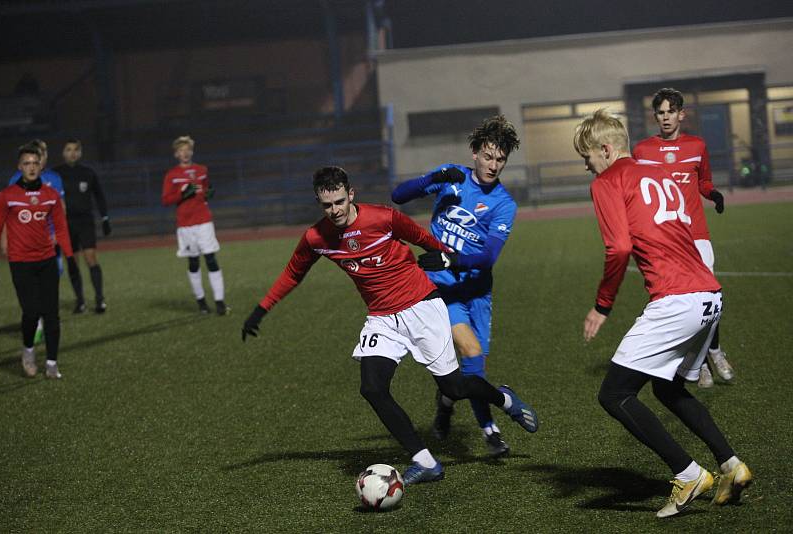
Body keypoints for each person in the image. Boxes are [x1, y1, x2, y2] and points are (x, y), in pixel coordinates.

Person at [241, 166, 538, 485]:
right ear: (318, 202)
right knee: (371, 388)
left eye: (339, 201)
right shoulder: (316, 238)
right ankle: (425, 462)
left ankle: (504, 399)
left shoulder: (383, 218)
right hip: (382, 319)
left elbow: (423, 238)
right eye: (327, 205)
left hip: (422, 307)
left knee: (453, 388)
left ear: (350, 194)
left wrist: (444, 256)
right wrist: (261, 309)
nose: (335, 210)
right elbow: (293, 273)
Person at [575, 109, 752, 518]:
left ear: (605, 149)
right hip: (709, 295)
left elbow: (618, 247)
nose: (586, 164)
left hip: (677, 300)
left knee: (614, 394)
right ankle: (731, 465)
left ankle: (688, 473)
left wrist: (603, 305)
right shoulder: (657, 174)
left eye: (586, 155)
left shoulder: (607, 180)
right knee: (668, 389)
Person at [391, 115, 527, 457]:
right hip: (442, 289)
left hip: (477, 291)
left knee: (473, 367)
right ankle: (490, 430)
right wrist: (433, 178)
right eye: (488, 156)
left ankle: (446, 402)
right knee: (471, 352)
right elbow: (398, 196)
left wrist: (453, 259)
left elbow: (488, 256)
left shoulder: (504, 204)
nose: (493, 165)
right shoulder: (452, 176)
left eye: (500, 159)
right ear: (474, 153)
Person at [632, 88, 733, 388]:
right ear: (656, 116)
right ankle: (697, 364)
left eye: (670, 112)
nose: (665, 118)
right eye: (660, 113)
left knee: (711, 300)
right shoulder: (642, 151)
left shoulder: (697, 145)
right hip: (668, 240)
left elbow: (703, 181)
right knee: (682, 304)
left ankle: (714, 351)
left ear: (681, 114)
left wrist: (712, 193)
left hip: (697, 235)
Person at [0, 144, 73, 379]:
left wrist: (69, 256)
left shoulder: (50, 195)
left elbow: (60, 227)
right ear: (20, 167)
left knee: (52, 314)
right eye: (26, 163)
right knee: (31, 312)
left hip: (46, 259)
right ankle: (28, 350)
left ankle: (51, 363)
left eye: (34, 163)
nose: (31, 167)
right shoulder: (7, 196)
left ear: (41, 166)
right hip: (21, 262)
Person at [161, 136, 228, 315]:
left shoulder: (202, 170)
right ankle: (201, 302)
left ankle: (220, 302)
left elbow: (206, 191)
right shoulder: (171, 175)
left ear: (192, 151)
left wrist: (208, 193)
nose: (185, 153)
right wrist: (182, 194)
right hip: (185, 224)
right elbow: (166, 200)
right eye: (181, 150)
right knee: (193, 261)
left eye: (187, 150)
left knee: (211, 259)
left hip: (204, 221)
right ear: (176, 154)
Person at [7, 139, 65, 344]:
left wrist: (58, 233)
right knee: (31, 285)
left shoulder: (54, 178)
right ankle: (38, 319)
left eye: (44, 153)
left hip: (50, 241)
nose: (41, 158)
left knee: (52, 280)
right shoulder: (15, 179)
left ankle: (47, 316)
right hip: (26, 244)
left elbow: (61, 207)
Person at [53, 138, 111, 314]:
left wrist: (105, 218)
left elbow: (99, 196)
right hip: (65, 224)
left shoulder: (88, 172)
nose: (72, 153)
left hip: (85, 222)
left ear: (80, 153)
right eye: (68, 149)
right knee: (72, 262)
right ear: (63, 153)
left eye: (75, 150)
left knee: (91, 258)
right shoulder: (55, 174)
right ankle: (80, 301)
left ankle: (99, 299)